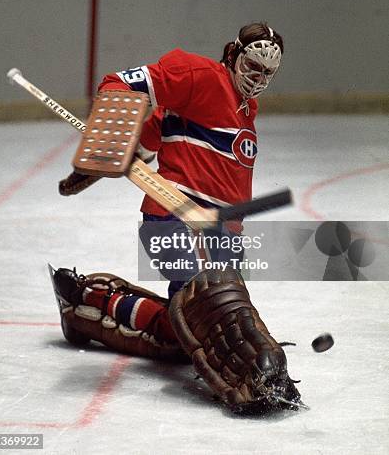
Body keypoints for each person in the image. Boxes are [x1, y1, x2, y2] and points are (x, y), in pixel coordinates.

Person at [51, 22, 303, 412]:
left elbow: (155, 133)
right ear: (233, 55)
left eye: (267, 73)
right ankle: (256, 378)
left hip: (220, 234)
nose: (258, 78)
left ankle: (90, 303)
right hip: (172, 222)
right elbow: (119, 83)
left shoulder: (245, 108)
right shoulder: (200, 76)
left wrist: (136, 148)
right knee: (210, 308)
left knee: (184, 333)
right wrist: (106, 144)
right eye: (252, 66)